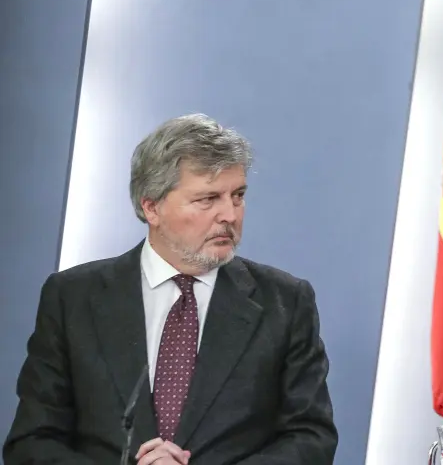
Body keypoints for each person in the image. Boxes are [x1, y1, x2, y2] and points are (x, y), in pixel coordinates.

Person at [4, 114, 338, 464]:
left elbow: (311, 438)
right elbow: (31, 443)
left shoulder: (285, 302)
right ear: (152, 207)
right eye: (207, 199)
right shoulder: (72, 297)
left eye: (237, 196)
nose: (230, 214)